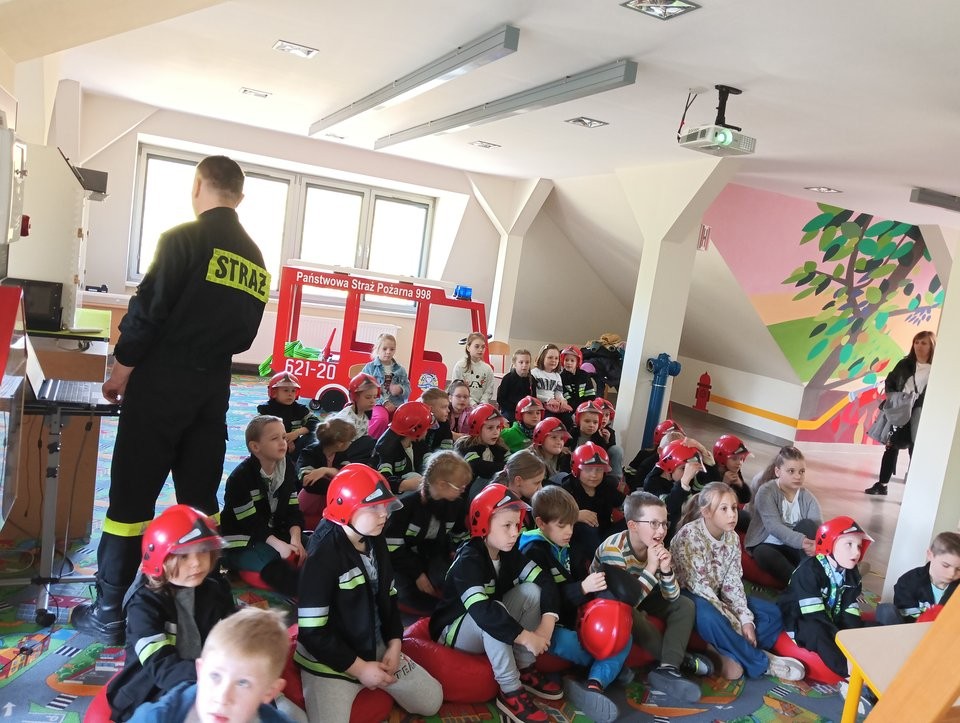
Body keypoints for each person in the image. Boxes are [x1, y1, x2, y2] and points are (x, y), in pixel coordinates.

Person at [72, 155, 269, 642]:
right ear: (241, 197)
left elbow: (148, 310)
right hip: (214, 386)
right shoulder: (256, 260)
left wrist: (122, 366)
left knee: (132, 494)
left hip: (162, 380)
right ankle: (200, 607)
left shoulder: (182, 238)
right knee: (201, 497)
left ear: (198, 185)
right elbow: (246, 335)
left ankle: (110, 610)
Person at [295, 465, 443, 721]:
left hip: (374, 643)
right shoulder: (323, 555)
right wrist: (360, 669)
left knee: (432, 700)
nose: (383, 514)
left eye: (384, 506)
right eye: (373, 507)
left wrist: (394, 642)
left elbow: (389, 595)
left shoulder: (374, 536)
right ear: (345, 509)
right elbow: (312, 632)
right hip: (330, 660)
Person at [430, 484, 562, 723]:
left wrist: (546, 625)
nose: (515, 533)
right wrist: (526, 637)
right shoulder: (469, 560)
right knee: (494, 609)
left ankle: (524, 667)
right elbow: (482, 611)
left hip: (487, 623)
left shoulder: (509, 553)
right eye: (507, 526)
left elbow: (545, 581)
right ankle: (510, 691)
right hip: (453, 631)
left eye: (517, 525)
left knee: (532, 591)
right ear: (483, 525)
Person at [107, 505, 236, 721]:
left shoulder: (215, 589)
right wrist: (213, 680)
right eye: (183, 556)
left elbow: (235, 635)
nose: (196, 563)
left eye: (203, 551)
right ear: (159, 559)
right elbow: (160, 666)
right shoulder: (143, 604)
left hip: (210, 677)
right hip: (153, 689)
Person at [671, 483, 804, 682]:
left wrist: (746, 620)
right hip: (689, 595)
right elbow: (699, 588)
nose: (732, 515)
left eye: (734, 508)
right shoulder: (689, 536)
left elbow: (732, 582)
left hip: (716, 594)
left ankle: (729, 651)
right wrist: (735, 622)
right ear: (707, 513)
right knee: (711, 618)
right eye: (724, 509)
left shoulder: (732, 537)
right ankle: (762, 662)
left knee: (773, 614)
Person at [518, 486, 626, 723]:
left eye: (571, 524)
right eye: (562, 525)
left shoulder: (568, 543)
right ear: (541, 523)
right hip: (545, 627)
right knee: (599, 647)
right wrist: (582, 588)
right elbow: (544, 599)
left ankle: (594, 683)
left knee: (621, 630)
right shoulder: (533, 551)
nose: (569, 531)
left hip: (574, 617)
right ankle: (605, 672)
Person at [591, 491, 702, 703]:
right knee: (630, 613)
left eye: (664, 523)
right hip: (610, 604)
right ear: (633, 525)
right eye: (653, 524)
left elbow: (672, 596)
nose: (661, 530)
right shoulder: (614, 549)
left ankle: (669, 668)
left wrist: (666, 570)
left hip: (641, 594)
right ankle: (680, 660)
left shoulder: (655, 546)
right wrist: (651, 567)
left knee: (684, 604)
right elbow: (627, 601)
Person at [129, 607, 295, 723]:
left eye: (243, 683)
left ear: (269, 691)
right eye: (215, 676)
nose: (222, 698)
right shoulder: (156, 717)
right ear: (201, 671)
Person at [220, 415, 306, 597]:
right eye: (275, 438)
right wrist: (280, 546)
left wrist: (295, 539)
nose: (283, 442)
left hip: (273, 531)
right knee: (270, 561)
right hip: (245, 539)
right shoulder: (240, 478)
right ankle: (304, 592)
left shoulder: (287, 468)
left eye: (284, 437)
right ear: (255, 447)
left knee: (312, 544)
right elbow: (250, 524)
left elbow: (293, 509)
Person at [778, 516, 872, 678]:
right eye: (849, 544)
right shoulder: (809, 571)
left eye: (858, 546)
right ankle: (848, 675)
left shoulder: (852, 574)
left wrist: (853, 635)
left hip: (832, 617)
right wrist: (838, 636)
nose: (857, 552)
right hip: (802, 619)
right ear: (829, 544)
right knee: (819, 633)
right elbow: (813, 615)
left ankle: (873, 664)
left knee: (869, 629)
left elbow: (849, 608)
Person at [384, 450, 472, 613]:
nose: (463, 491)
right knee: (402, 592)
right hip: (401, 560)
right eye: (459, 487)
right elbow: (392, 548)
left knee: (449, 581)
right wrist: (417, 573)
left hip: (432, 555)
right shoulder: (406, 506)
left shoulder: (455, 504)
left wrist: (455, 552)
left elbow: (459, 535)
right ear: (441, 484)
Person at [865, 330, 936, 496]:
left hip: (919, 411)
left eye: (923, 343)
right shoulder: (905, 364)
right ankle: (882, 485)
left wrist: (919, 401)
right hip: (900, 408)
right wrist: (895, 398)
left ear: (931, 346)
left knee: (915, 450)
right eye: (916, 342)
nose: (919, 346)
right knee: (891, 446)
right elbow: (890, 381)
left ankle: (913, 491)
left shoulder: (936, 368)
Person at [744, 446, 822, 586]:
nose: (798, 476)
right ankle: (800, 585)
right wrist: (802, 541)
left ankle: (818, 574)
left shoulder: (807, 497)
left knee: (809, 525)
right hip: (769, 544)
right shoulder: (766, 492)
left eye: (801, 471)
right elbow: (773, 526)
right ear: (778, 471)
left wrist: (816, 545)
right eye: (791, 471)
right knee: (762, 553)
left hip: (795, 547)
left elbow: (818, 527)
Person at [561, 443, 625, 577]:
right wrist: (575, 515)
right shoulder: (567, 489)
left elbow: (625, 502)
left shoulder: (607, 485)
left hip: (604, 534)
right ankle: (606, 566)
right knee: (586, 528)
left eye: (599, 470)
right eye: (588, 470)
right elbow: (554, 517)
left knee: (633, 520)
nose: (594, 475)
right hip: (578, 539)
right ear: (577, 469)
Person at [876, 531, 960, 625]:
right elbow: (906, 619)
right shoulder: (908, 582)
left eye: (959, 569)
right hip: (910, 629)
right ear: (930, 555)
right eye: (945, 565)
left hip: (945, 631)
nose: (952, 574)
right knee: (885, 610)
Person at [296, 418, 355, 526]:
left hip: (330, 499)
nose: (351, 443)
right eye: (349, 441)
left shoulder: (341, 453)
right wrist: (335, 479)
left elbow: (347, 473)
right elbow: (308, 481)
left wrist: (325, 470)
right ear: (339, 444)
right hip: (310, 500)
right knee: (303, 521)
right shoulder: (309, 452)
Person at [257, 372, 319, 469]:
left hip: (295, 447)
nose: (290, 394)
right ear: (274, 392)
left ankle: (304, 464)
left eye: (293, 391)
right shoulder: (266, 409)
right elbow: (259, 429)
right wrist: (282, 440)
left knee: (313, 436)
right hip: (273, 446)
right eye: (286, 390)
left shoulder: (299, 409)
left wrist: (296, 434)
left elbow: (315, 423)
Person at [371, 401, 433, 493]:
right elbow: (383, 479)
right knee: (413, 476)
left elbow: (428, 455)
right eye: (426, 428)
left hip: (415, 485)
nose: (428, 431)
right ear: (414, 430)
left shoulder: (418, 441)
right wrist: (404, 484)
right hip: (394, 493)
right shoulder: (386, 449)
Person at [362, 333, 411, 440]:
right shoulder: (370, 368)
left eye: (392, 349)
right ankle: (371, 443)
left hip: (397, 405)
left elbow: (408, 389)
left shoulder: (400, 369)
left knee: (407, 420)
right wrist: (384, 402)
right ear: (377, 349)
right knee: (381, 419)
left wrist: (400, 389)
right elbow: (365, 389)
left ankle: (393, 445)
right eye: (384, 349)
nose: (388, 352)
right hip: (376, 404)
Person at [455, 403, 510, 500]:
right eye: (490, 428)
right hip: (465, 494)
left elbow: (512, 462)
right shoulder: (465, 445)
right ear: (477, 428)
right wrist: (506, 467)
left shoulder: (499, 446)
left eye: (498, 427)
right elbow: (477, 466)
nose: (496, 432)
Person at [489, 449, 547, 530]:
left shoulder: (524, 499)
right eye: (536, 483)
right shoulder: (504, 509)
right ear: (518, 481)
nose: (540, 488)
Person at [704, 434, 752, 531]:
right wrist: (724, 484)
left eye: (741, 458)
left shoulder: (734, 469)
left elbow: (745, 498)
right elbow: (709, 504)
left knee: (749, 519)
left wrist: (740, 484)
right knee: (746, 519)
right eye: (734, 458)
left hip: (729, 508)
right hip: (712, 512)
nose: (739, 463)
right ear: (722, 458)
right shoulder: (710, 472)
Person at [330, 372, 380, 462]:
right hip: (341, 452)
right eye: (368, 397)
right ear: (354, 397)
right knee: (372, 443)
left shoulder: (365, 413)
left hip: (354, 449)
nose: (372, 401)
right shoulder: (345, 419)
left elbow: (364, 436)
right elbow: (335, 445)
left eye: (375, 397)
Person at [411, 386, 455, 468]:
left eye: (448, 407)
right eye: (444, 407)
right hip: (420, 464)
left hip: (437, 463)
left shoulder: (444, 423)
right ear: (430, 409)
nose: (448, 410)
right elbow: (419, 451)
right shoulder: (418, 426)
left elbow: (447, 449)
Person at [531, 344, 572, 426]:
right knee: (550, 422)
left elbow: (558, 393)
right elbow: (532, 393)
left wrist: (562, 401)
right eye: (550, 357)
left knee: (568, 420)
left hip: (553, 404)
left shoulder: (557, 376)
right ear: (542, 358)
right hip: (539, 405)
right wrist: (548, 400)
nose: (553, 360)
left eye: (556, 358)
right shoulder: (534, 373)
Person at [452, 332, 496, 404]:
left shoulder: (488, 369)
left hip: (481, 406)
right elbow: (457, 388)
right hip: (463, 404)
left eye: (483, 347)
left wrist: (482, 403)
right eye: (477, 346)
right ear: (468, 347)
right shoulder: (460, 366)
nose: (480, 350)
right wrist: (472, 404)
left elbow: (489, 390)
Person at [497, 349, 537, 424]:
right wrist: (516, 408)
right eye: (521, 362)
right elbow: (501, 399)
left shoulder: (532, 379)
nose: (524, 365)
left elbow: (534, 398)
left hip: (526, 410)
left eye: (527, 362)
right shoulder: (507, 378)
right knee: (510, 421)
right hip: (510, 410)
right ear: (514, 364)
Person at [559, 346, 597, 411]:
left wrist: (585, 407)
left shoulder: (584, 375)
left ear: (577, 362)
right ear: (563, 361)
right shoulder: (561, 377)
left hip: (585, 407)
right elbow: (565, 395)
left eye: (572, 361)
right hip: (568, 408)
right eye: (566, 360)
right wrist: (574, 409)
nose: (569, 363)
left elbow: (590, 394)